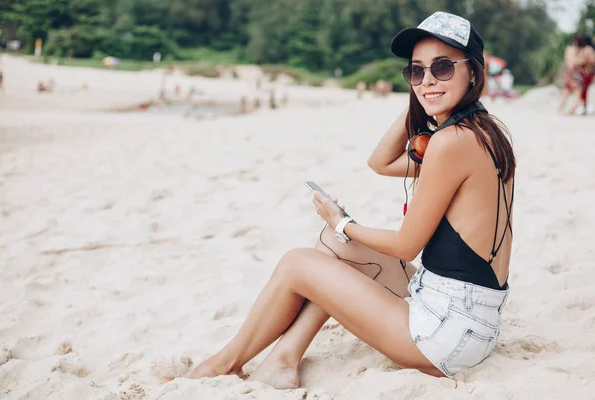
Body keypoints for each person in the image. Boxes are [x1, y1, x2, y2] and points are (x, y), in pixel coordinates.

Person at [186, 11, 515, 386]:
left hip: (446, 335)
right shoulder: (485, 132)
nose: (426, 80)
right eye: (416, 72)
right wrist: (429, 97)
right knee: (331, 246)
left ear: (473, 72)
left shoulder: (450, 143)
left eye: (442, 68)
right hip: (471, 319)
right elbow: (379, 162)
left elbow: (405, 246)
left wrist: (344, 223)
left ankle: (224, 363)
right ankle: (283, 359)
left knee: (298, 263)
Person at [559, 35, 588, 114]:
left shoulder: (568, 49)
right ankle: (572, 110)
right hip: (577, 73)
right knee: (577, 92)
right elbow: (585, 62)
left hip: (569, 72)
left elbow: (567, 61)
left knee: (566, 91)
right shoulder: (584, 51)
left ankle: (560, 110)